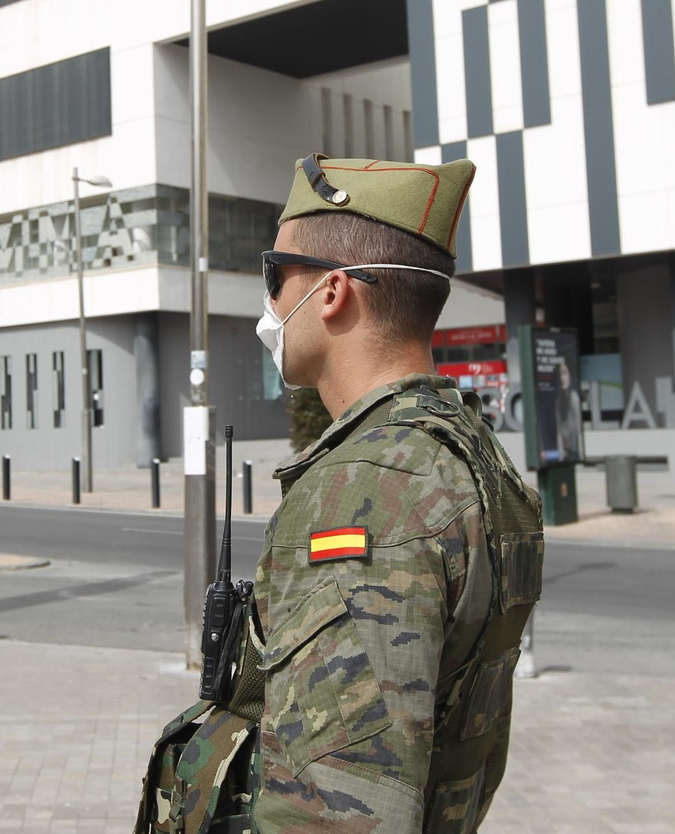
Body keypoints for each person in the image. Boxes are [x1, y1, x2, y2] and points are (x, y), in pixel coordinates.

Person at [136, 155, 545, 833]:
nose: (271, 305)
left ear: (331, 292)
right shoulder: (470, 454)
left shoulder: (368, 487)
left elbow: (338, 808)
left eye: (276, 275)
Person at [554, 357, 583, 461]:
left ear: (570, 375)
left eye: (565, 373)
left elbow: (578, 427)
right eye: (560, 374)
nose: (562, 378)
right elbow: (558, 428)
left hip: (574, 449)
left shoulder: (574, 398)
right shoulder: (558, 401)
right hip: (563, 451)